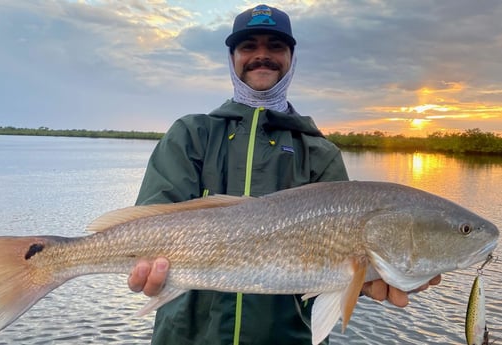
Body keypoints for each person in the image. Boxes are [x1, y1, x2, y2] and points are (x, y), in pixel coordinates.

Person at [127, 4, 441, 345]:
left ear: (291, 57)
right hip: (185, 337)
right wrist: (145, 268)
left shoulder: (320, 153)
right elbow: (149, 222)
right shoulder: (191, 134)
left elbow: (342, 270)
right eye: (249, 46)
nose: (262, 56)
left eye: (275, 46)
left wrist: (364, 281)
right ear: (232, 57)